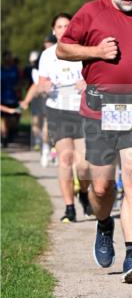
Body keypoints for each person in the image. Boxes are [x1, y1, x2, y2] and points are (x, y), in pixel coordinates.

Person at [57, 0, 132, 283]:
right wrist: (96, 53)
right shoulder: (91, 11)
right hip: (99, 108)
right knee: (102, 188)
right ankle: (105, 224)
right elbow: (63, 49)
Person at [36, 13, 93, 221]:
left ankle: (84, 193)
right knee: (65, 158)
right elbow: (41, 84)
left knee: (85, 164)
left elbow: (95, 77)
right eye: (59, 26)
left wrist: (87, 83)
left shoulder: (83, 51)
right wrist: (45, 87)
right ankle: (69, 208)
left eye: (67, 26)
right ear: (54, 31)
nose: (63, 29)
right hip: (58, 109)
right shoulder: (48, 55)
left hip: (82, 109)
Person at [1, 50, 21, 147]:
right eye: (7, 57)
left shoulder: (15, 69)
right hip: (2, 97)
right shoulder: (1, 69)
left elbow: (21, 81)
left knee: (13, 121)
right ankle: (4, 138)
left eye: (10, 57)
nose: (9, 59)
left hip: (13, 98)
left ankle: (11, 133)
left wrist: (18, 86)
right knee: (4, 119)